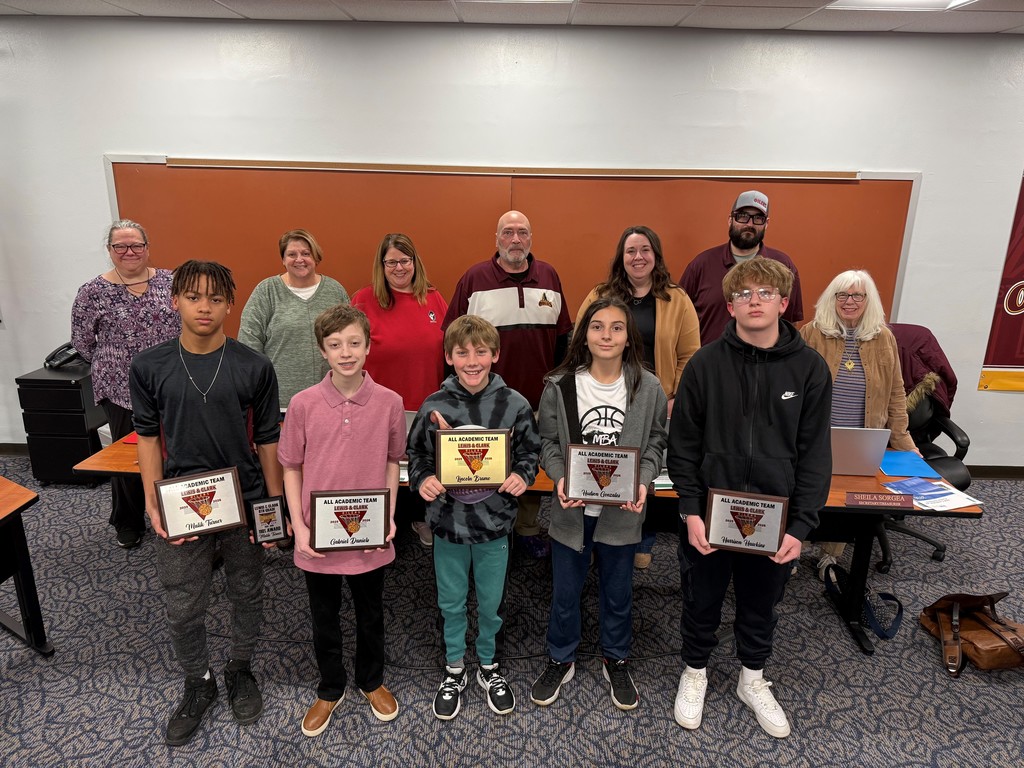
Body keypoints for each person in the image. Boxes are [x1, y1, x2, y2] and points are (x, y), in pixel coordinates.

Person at [667, 258, 831, 739]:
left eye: (765, 293)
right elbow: (683, 446)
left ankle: (752, 678)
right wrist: (690, 511)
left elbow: (815, 453)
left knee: (762, 603)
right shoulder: (704, 364)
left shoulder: (809, 369)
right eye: (743, 294)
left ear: (783, 303)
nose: (753, 301)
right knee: (701, 598)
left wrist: (801, 527)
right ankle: (694, 670)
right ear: (731, 305)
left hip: (774, 518)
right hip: (709, 516)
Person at [129, 260, 283, 746]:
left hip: (245, 499)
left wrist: (273, 507)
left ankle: (240, 668)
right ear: (174, 300)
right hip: (179, 500)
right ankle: (198, 681)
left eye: (216, 299)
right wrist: (153, 502)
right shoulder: (149, 366)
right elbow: (148, 440)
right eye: (194, 297)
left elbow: (268, 442)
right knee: (182, 604)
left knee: (247, 592)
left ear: (229, 306)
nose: (205, 307)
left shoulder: (254, 366)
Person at [531, 297, 667, 712]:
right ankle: (561, 656)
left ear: (629, 338)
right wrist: (560, 476)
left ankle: (616, 656)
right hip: (573, 511)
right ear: (583, 336)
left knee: (618, 591)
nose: (606, 335)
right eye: (597, 327)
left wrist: (642, 482)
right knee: (565, 592)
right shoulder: (560, 385)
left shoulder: (649, 387)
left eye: (616, 328)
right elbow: (548, 442)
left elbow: (657, 442)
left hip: (620, 513)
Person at [278, 305, 406, 736]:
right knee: (324, 615)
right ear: (322, 351)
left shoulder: (390, 402)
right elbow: (291, 467)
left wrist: (388, 515)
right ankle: (331, 687)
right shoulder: (302, 404)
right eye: (335, 345)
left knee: (371, 613)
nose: (346, 352)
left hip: (369, 532)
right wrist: (298, 523)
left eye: (354, 343)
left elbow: (392, 462)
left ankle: (372, 680)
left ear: (369, 347)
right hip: (319, 535)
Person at [407, 315, 540, 721]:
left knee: (490, 601)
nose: (472, 360)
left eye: (481, 351)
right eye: (461, 352)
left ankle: (487, 664)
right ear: (448, 356)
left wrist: (521, 475)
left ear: (495, 355)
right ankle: (454, 668)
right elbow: (416, 457)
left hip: (494, 523)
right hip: (447, 524)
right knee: (450, 601)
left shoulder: (515, 404)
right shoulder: (434, 406)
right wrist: (424, 479)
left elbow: (530, 454)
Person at [443, 210, 571, 558]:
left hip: (537, 397)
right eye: (508, 233)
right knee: (486, 462)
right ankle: (490, 526)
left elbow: (563, 339)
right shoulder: (475, 278)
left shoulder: (549, 275)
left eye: (523, 233)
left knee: (528, 461)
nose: (516, 240)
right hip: (486, 400)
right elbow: (453, 339)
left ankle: (527, 529)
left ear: (531, 237)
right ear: (496, 238)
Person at [576, 225, 700, 569]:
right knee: (603, 469)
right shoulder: (600, 294)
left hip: (654, 401)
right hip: (604, 397)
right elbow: (580, 342)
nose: (638, 257)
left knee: (646, 467)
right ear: (621, 257)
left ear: (656, 257)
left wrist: (673, 398)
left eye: (645, 250)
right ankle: (593, 538)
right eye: (631, 251)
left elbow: (690, 355)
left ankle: (640, 539)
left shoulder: (677, 299)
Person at [800, 269, 916, 581]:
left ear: (868, 301)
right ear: (832, 299)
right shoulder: (812, 333)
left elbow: (895, 392)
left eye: (857, 295)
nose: (849, 301)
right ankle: (792, 551)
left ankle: (830, 557)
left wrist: (906, 445)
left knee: (848, 496)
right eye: (842, 295)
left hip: (860, 437)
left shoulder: (883, 338)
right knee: (804, 491)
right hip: (814, 434)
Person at [71, 219, 181, 549]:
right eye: (120, 246)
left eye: (136, 245)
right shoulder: (92, 291)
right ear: (110, 251)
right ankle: (128, 520)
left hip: (171, 384)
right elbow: (81, 341)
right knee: (127, 458)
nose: (129, 252)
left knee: (175, 452)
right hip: (120, 388)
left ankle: (179, 515)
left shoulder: (171, 281)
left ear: (148, 248)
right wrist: (116, 364)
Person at [351, 233, 449, 547]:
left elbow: (450, 349)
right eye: (391, 261)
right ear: (381, 265)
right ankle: (379, 520)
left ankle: (420, 518)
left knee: (423, 462)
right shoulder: (364, 300)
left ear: (414, 262)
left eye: (405, 260)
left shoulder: (433, 298)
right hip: (376, 406)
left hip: (425, 403)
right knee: (378, 465)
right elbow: (348, 353)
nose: (399, 267)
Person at [238, 229, 349, 409]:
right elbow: (249, 344)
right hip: (278, 403)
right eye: (292, 254)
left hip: (331, 400)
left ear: (316, 257)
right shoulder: (266, 291)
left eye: (306, 253)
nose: (299, 259)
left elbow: (351, 339)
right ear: (283, 259)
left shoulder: (335, 291)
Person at [680, 190, 803, 345]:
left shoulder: (783, 265)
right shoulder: (701, 264)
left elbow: (791, 323)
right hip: (712, 364)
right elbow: (680, 318)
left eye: (758, 218)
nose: (749, 224)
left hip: (766, 364)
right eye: (743, 216)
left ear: (766, 224)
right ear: (730, 220)